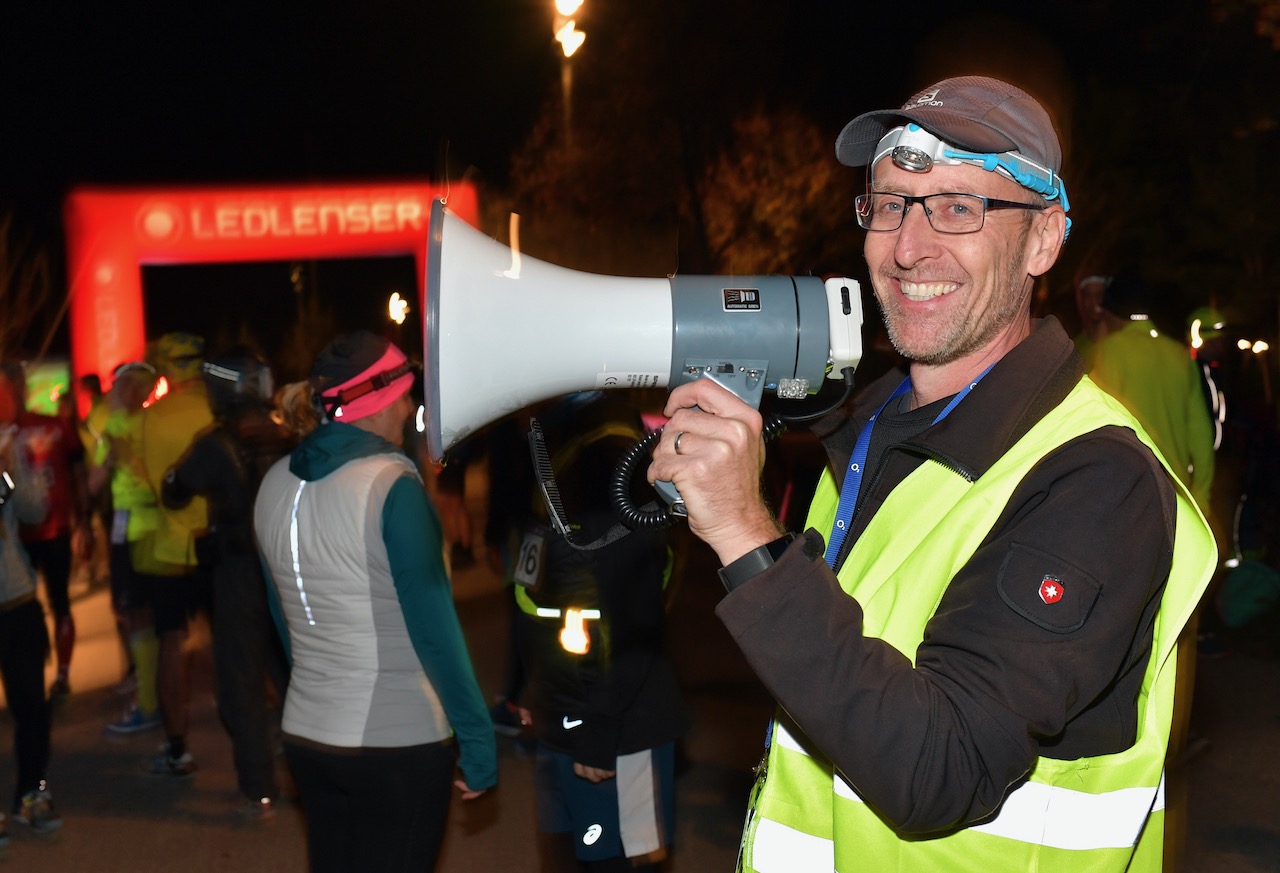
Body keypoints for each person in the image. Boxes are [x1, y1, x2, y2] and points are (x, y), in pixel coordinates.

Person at [646, 75, 1217, 872]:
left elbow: (939, 768)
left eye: (958, 206)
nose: (909, 246)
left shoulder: (1098, 479)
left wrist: (745, 533)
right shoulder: (872, 428)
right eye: (889, 204)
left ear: (1044, 240)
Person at [254, 331, 496, 873]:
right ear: (378, 401)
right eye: (406, 394)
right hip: (397, 743)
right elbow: (436, 632)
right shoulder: (392, 487)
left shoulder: (272, 482)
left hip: (309, 737)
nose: (411, 406)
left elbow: (284, 621)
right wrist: (478, 741)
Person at [502, 392, 687, 872]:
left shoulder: (608, 463)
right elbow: (534, 594)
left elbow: (635, 618)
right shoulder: (557, 456)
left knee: (617, 861)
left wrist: (600, 727)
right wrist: (529, 685)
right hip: (562, 714)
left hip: (615, 730)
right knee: (572, 858)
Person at [160, 349, 292, 818]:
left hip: (239, 574)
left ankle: (257, 789)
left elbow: (172, 491)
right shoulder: (287, 432)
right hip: (287, 571)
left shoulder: (215, 443)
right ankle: (313, 770)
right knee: (295, 675)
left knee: (241, 683)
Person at [130, 333, 215, 776]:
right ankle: (267, 731)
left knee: (170, 643)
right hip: (215, 540)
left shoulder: (150, 418)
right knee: (236, 639)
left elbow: (144, 482)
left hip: (169, 547)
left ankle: (178, 745)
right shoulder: (216, 412)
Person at [1087, 267, 1216, 514]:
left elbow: (1097, 423)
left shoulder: (1112, 349)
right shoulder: (1179, 354)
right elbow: (1201, 433)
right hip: (1176, 497)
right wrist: (1201, 497)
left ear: (1113, 313)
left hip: (1130, 493)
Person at [2, 362, 91, 701]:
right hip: (17, 538)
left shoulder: (55, 425)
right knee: (31, 610)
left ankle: (61, 674)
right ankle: (33, 675)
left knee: (58, 603)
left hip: (53, 529)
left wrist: (83, 517)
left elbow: (77, 469)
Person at [0, 370, 61, 844]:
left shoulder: (12, 447)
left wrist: (12, 468)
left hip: (16, 595)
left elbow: (35, 512)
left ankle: (30, 792)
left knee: (31, 707)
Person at [93, 362, 163, 731]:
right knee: (133, 613)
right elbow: (94, 482)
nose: (114, 393)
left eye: (122, 386)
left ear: (138, 390)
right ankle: (149, 692)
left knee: (150, 614)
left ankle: (151, 701)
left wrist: (129, 459)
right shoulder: (112, 428)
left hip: (150, 530)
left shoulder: (152, 424)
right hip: (126, 529)